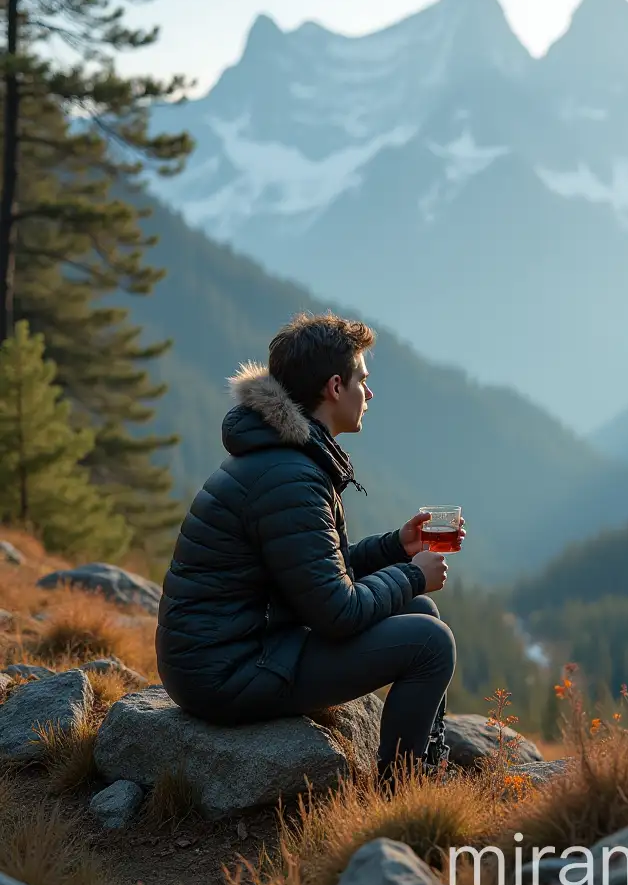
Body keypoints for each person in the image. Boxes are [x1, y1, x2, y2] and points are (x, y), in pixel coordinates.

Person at [155, 311, 461, 787]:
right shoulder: (290, 477)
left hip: (234, 650)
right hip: (227, 671)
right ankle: (403, 790)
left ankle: (423, 761)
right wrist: (413, 573)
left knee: (420, 608)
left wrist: (397, 547)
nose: (370, 393)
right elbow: (336, 612)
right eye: (363, 379)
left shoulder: (286, 458)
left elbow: (316, 573)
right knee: (430, 642)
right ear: (334, 388)